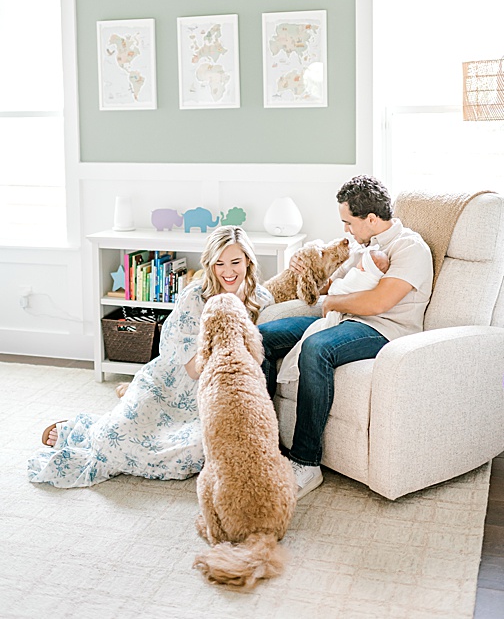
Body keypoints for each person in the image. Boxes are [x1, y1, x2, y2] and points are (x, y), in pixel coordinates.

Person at [28, 225, 273, 488]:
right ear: (210, 264)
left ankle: (107, 418)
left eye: (235, 262)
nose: (228, 271)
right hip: (170, 385)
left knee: (191, 454)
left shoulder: (262, 300)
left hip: (211, 396)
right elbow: (191, 368)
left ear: (248, 260)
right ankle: (86, 428)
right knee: (116, 436)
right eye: (219, 263)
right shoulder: (195, 295)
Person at [256, 176, 433, 500]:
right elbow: (325, 288)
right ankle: (262, 443)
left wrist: (334, 302)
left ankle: (306, 462)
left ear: (370, 219)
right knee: (259, 337)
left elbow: (380, 302)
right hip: (343, 319)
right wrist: (302, 268)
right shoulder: (361, 248)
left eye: (348, 222)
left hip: (384, 329)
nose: (346, 230)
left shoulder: (410, 248)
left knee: (317, 347)